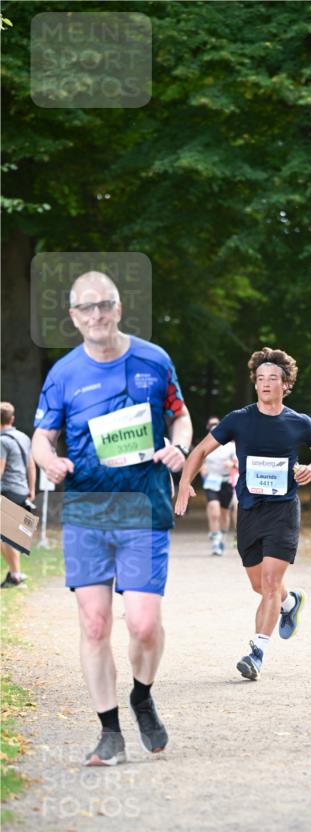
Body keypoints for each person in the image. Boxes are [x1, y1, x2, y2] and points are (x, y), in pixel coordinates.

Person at [31, 271, 192, 766]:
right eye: (86, 308)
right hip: (85, 512)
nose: (96, 315)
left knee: (143, 624)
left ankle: (142, 696)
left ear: (119, 308)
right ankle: (109, 732)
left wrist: (179, 447)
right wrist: (48, 461)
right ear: (74, 317)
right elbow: (42, 437)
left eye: (105, 305)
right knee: (95, 624)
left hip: (142, 506)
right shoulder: (62, 373)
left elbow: (180, 414)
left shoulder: (153, 359)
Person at [176, 347, 311, 680]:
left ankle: (257, 652)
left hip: (283, 510)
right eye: (260, 378)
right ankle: (290, 602)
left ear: (285, 383)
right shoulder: (239, 419)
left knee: (270, 581)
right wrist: (184, 484)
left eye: (273, 378)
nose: (265, 384)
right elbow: (202, 450)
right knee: (260, 586)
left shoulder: (298, 422)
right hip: (249, 509)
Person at [1, 401, 37, 587]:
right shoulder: (23, 438)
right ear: (12, 419)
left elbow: (0, 468)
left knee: (6, 536)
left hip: (6, 490)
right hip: (22, 491)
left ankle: (16, 574)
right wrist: (31, 489)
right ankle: (14, 574)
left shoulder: (2, 441)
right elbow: (31, 465)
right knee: (9, 535)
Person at [201, 416, 238, 555]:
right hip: (211, 481)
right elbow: (199, 458)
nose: (214, 427)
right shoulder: (205, 444)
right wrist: (202, 467)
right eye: (211, 426)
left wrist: (232, 464)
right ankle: (216, 542)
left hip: (226, 482)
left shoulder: (231, 446)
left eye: (217, 425)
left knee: (224, 514)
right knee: (214, 510)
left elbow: (239, 462)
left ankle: (221, 535)